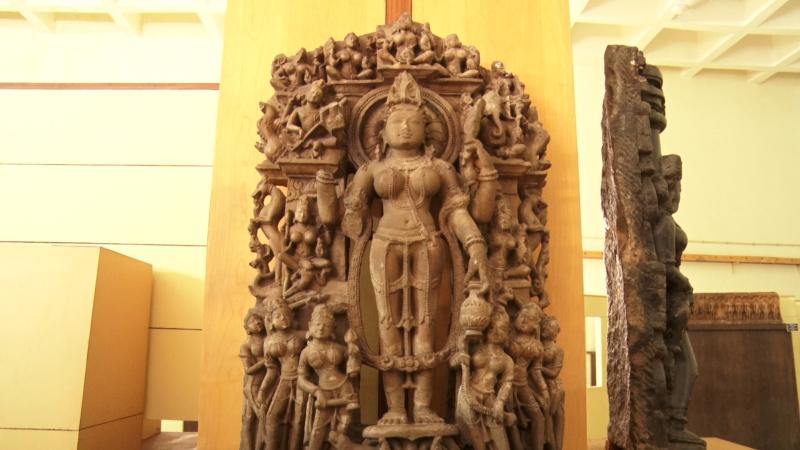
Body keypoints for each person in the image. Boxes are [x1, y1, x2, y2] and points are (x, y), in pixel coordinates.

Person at [342, 72, 494, 425]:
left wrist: (474, 244)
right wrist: (348, 206)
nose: (405, 128)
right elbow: (350, 217)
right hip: (384, 244)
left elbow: (456, 211)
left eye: (413, 122)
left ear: (428, 130)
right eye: (397, 122)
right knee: (387, 322)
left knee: (427, 321)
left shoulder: (438, 167)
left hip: (428, 244)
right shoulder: (372, 169)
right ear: (381, 132)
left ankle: (423, 407)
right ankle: (395, 408)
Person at [297, 305, 360, 449]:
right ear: (310, 326)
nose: (321, 328)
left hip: (344, 386)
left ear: (333, 328)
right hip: (323, 389)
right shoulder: (306, 352)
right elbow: (301, 379)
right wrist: (316, 391)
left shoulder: (339, 348)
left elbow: (353, 364)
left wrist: (354, 355)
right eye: (317, 324)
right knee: (318, 429)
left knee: (344, 425)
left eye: (326, 325)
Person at [258, 300, 305, 450]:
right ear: (271, 321)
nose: (283, 318)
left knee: (299, 419)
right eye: (278, 316)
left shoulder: (302, 336)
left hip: (303, 381)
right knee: (272, 416)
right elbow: (271, 370)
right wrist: (262, 390)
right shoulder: (269, 342)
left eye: (286, 315)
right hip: (284, 380)